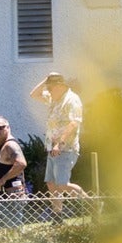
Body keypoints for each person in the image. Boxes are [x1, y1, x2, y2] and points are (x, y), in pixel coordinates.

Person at [31, 71, 85, 214]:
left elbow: (74, 124)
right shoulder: (54, 98)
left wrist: (59, 144)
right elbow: (34, 94)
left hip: (65, 148)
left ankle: (92, 204)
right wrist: (46, 79)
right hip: (52, 148)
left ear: (59, 86)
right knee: (51, 183)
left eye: (50, 88)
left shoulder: (72, 100)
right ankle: (57, 215)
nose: (47, 91)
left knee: (62, 184)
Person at [0, 116, 27, 197]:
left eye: (0, 128)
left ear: (8, 127)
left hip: (11, 193)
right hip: (0, 195)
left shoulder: (10, 145)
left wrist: (3, 180)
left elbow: (21, 164)